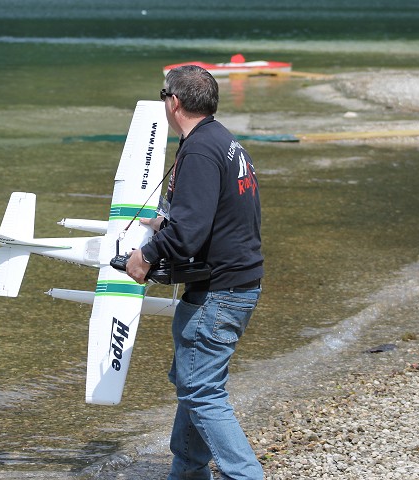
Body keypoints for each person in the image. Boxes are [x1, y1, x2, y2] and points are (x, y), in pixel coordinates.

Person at [126, 65, 264, 480]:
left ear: (175, 102)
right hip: (238, 282)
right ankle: (187, 473)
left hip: (218, 292)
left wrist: (145, 257)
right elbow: (213, 215)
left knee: (201, 391)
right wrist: (166, 221)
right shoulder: (223, 141)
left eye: (164, 95)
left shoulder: (201, 151)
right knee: (191, 380)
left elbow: (189, 233)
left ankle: (247, 476)